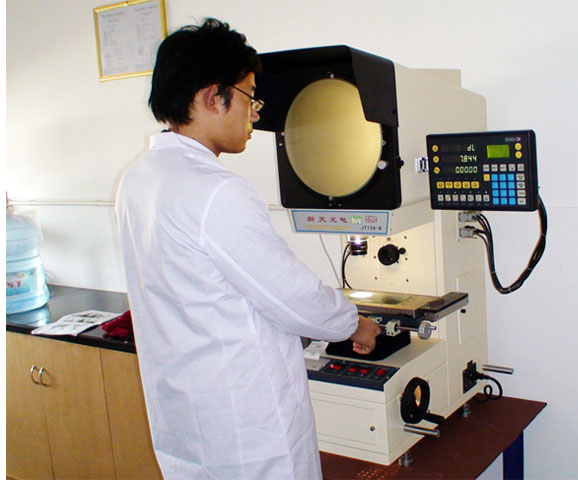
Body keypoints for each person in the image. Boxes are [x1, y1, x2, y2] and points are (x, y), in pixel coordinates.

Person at [115, 18, 381, 480]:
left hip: (186, 417)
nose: (255, 113)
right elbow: (292, 297)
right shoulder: (217, 191)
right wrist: (355, 324)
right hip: (249, 431)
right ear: (211, 97)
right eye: (249, 96)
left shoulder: (137, 179)